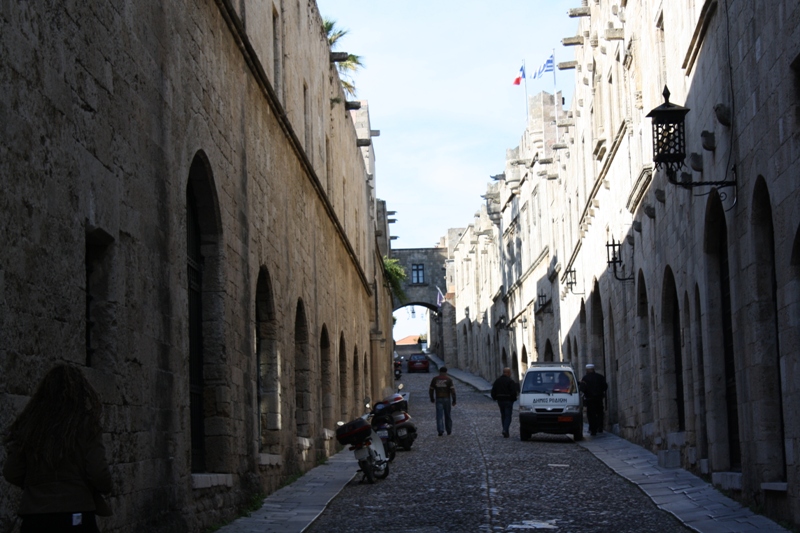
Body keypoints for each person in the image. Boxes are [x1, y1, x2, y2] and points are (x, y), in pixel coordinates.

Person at [3, 365, 113, 532]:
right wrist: (105, 487)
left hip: (36, 516)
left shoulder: (29, 425)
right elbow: (98, 471)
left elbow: (12, 471)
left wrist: (37, 486)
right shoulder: (85, 425)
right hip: (76, 513)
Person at [579, 363, 608, 436]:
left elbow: (582, 388)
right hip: (599, 398)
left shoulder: (585, 378)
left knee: (591, 415)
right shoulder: (600, 377)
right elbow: (605, 386)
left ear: (587, 370)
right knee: (599, 413)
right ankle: (600, 427)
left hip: (590, 399)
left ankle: (593, 429)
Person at [491, 367, 519, 438]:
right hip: (508, 401)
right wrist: (513, 399)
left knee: (503, 415)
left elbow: (493, 391)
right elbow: (513, 392)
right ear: (508, 373)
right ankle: (505, 430)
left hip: (500, 401)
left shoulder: (497, 381)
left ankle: (505, 430)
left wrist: (495, 398)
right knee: (508, 416)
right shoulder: (510, 381)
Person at [429, 366, 456, 436]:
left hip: (438, 398)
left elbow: (431, 390)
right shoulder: (449, 380)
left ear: (439, 372)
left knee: (439, 415)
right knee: (448, 415)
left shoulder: (435, 379)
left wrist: (432, 398)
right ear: (446, 372)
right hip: (447, 398)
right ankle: (449, 430)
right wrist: (454, 400)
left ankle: (440, 430)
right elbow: (453, 391)